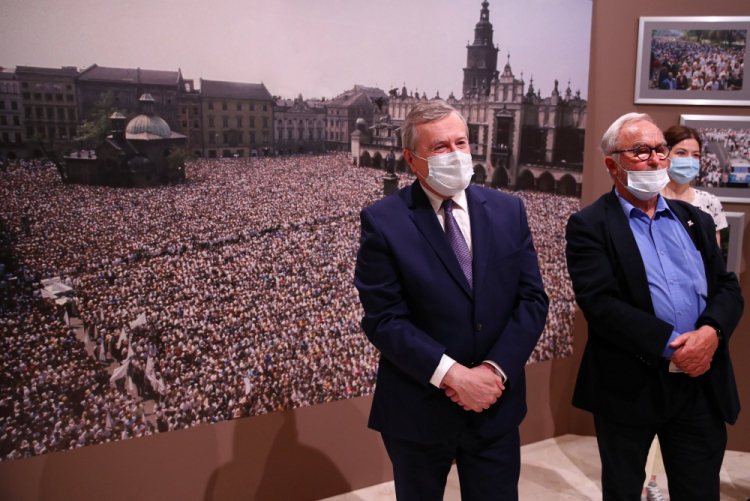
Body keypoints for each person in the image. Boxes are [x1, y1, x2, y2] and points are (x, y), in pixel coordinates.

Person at [354, 100, 549, 500]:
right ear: (412, 159)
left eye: (461, 142)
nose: (456, 154)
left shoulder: (509, 209)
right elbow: (384, 319)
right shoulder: (383, 221)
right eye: (441, 147)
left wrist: (494, 371)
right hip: (420, 409)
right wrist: (454, 375)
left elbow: (532, 300)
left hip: (495, 406)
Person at [565, 112, 743, 501]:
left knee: (699, 490)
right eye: (641, 151)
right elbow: (600, 303)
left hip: (700, 383)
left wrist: (710, 333)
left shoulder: (692, 218)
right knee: (625, 490)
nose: (656, 160)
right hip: (631, 385)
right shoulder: (590, 225)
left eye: (661, 149)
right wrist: (674, 346)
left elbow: (727, 287)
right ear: (613, 164)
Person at [661, 124, 727, 245]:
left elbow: (713, 256)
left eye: (695, 155)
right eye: (681, 153)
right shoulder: (649, 200)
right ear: (664, 154)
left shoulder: (710, 202)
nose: (689, 161)